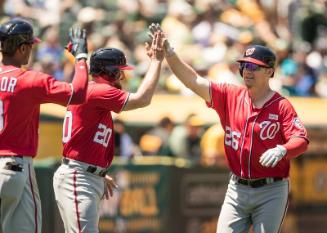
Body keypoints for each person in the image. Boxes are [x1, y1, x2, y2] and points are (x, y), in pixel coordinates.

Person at [149, 24, 309, 233]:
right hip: (237, 188)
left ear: (269, 71)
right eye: (245, 66)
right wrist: (170, 54)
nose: (247, 71)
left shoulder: (281, 106)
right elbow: (193, 81)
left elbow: (301, 140)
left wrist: (283, 149)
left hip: (272, 189)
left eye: (254, 67)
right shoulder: (230, 95)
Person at [53, 31, 165, 233]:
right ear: (110, 71)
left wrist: (98, 172)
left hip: (84, 174)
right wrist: (157, 61)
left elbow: (85, 138)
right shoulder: (99, 91)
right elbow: (143, 99)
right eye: (119, 71)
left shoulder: (94, 91)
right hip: (79, 176)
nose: (122, 75)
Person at [0, 18, 89, 233]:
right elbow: (78, 93)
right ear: (22, 48)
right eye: (30, 45)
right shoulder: (30, 80)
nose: (31, 50)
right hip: (14, 166)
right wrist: (81, 58)